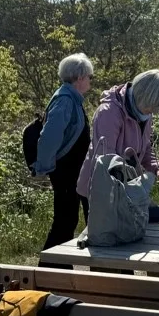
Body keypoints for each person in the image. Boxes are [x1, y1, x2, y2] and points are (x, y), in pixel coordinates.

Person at [76, 69, 159, 207]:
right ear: (142, 96)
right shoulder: (109, 112)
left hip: (127, 188)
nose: (154, 112)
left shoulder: (144, 111)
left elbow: (145, 148)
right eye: (152, 106)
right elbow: (105, 160)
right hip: (101, 190)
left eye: (157, 107)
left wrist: (157, 167)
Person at [33, 53, 95, 253]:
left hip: (72, 173)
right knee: (64, 223)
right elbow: (49, 137)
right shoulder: (65, 100)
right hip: (66, 173)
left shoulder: (71, 99)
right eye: (89, 77)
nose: (90, 81)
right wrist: (44, 168)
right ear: (79, 78)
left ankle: (58, 271)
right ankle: (47, 273)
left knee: (68, 221)